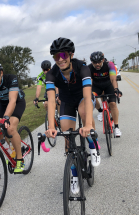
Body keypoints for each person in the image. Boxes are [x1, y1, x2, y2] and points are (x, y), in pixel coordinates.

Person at [45, 37, 100, 194]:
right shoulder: (52, 74)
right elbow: (50, 101)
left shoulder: (82, 68)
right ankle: (74, 175)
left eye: (63, 56)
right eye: (56, 57)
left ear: (71, 55)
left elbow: (88, 96)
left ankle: (93, 144)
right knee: (68, 138)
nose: (60, 60)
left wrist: (88, 124)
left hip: (83, 97)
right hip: (67, 101)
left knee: (83, 112)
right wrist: (50, 127)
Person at [88, 51, 122, 137]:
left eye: (99, 62)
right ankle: (100, 111)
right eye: (95, 63)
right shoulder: (89, 68)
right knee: (90, 96)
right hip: (97, 87)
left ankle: (117, 127)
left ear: (103, 60)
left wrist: (116, 89)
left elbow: (113, 79)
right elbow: (89, 82)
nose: (97, 64)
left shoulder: (109, 65)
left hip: (108, 85)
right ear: (92, 62)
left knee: (113, 104)